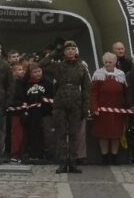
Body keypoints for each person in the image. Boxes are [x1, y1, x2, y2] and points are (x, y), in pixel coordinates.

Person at [43, 39, 90, 173]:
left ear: (76, 51)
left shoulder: (82, 67)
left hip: (76, 101)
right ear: (64, 52)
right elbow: (41, 64)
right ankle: (63, 162)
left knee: (74, 134)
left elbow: (87, 89)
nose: (70, 51)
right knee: (61, 133)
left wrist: (85, 108)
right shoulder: (59, 66)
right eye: (67, 49)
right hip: (61, 102)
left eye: (73, 49)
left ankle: (73, 162)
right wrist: (54, 53)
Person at [90, 51, 128, 164]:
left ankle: (114, 157)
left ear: (115, 62)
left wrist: (126, 108)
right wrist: (94, 108)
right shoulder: (98, 74)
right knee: (103, 135)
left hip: (117, 111)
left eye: (110, 62)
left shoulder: (121, 74)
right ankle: (105, 157)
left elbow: (125, 92)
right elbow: (93, 93)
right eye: (106, 62)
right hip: (102, 111)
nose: (107, 64)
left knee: (116, 135)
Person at [21, 62, 55, 163]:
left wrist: (45, 101)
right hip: (32, 114)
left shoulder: (48, 83)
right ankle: (35, 153)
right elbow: (24, 98)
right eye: (35, 72)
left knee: (48, 133)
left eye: (39, 71)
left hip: (46, 112)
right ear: (30, 73)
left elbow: (52, 97)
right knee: (34, 133)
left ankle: (50, 154)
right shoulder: (26, 84)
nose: (38, 74)